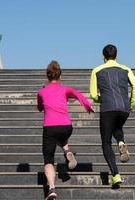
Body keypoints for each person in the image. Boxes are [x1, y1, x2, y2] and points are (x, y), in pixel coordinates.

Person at [37, 60, 94, 200]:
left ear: (47, 76)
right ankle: (67, 151)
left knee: (48, 160)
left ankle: (51, 189)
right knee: (61, 136)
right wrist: (87, 107)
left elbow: (39, 108)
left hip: (50, 128)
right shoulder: (65, 89)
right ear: (60, 76)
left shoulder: (42, 92)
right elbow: (78, 94)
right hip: (67, 127)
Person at [89, 44, 135, 188]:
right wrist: (131, 103)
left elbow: (93, 95)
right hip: (124, 108)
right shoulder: (126, 69)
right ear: (116, 56)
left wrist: (102, 98)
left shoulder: (96, 70)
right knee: (117, 126)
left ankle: (116, 175)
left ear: (103, 56)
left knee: (106, 143)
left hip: (108, 108)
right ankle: (121, 142)